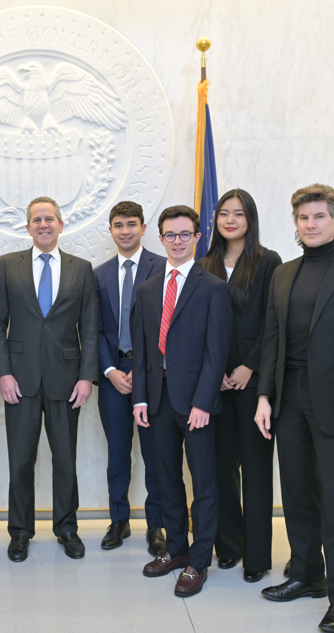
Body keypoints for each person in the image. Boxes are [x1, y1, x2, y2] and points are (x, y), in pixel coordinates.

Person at [255, 184, 334, 633]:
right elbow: (271, 339)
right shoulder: (284, 274)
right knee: (295, 493)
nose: (310, 225)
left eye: (318, 217)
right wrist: (264, 397)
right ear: (296, 225)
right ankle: (307, 574)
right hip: (287, 400)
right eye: (303, 218)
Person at [0, 196, 98, 562]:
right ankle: (20, 532)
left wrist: (87, 378)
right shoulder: (8, 266)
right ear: (28, 227)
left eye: (49, 218)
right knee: (21, 460)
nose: (43, 224)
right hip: (19, 381)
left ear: (61, 225)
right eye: (36, 219)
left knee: (65, 459)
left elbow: (92, 329)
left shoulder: (81, 269)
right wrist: (2, 372)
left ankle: (67, 528)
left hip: (67, 380)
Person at [132, 205, 232, 598]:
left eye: (184, 234)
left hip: (196, 404)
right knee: (167, 479)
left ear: (196, 237)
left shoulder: (213, 288)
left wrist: (204, 402)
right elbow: (142, 353)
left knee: (203, 482)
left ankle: (198, 560)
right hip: (156, 401)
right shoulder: (147, 289)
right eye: (170, 235)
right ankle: (175, 549)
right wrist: (140, 398)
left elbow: (216, 352)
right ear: (160, 239)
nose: (177, 241)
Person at [198, 189, 282, 583]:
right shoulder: (206, 263)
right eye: (223, 213)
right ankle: (228, 547)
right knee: (220, 468)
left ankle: (256, 556)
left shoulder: (268, 263)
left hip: (252, 384)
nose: (229, 220)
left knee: (256, 469)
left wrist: (250, 367)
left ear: (251, 218)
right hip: (214, 384)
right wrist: (218, 373)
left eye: (238, 213)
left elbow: (273, 322)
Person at [94, 201, 166, 555]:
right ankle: (119, 520)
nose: (125, 230)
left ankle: (157, 525)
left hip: (151, 375)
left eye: (132, 224)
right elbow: (95, 330)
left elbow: (168, 325)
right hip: (112, 377)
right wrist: (109, 370)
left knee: (155, 454)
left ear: (143, 227)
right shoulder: (99, 274)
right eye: (119, 225)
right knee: (118, 453)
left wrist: (143, 367)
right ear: (111, 230)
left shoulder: (163, 267)